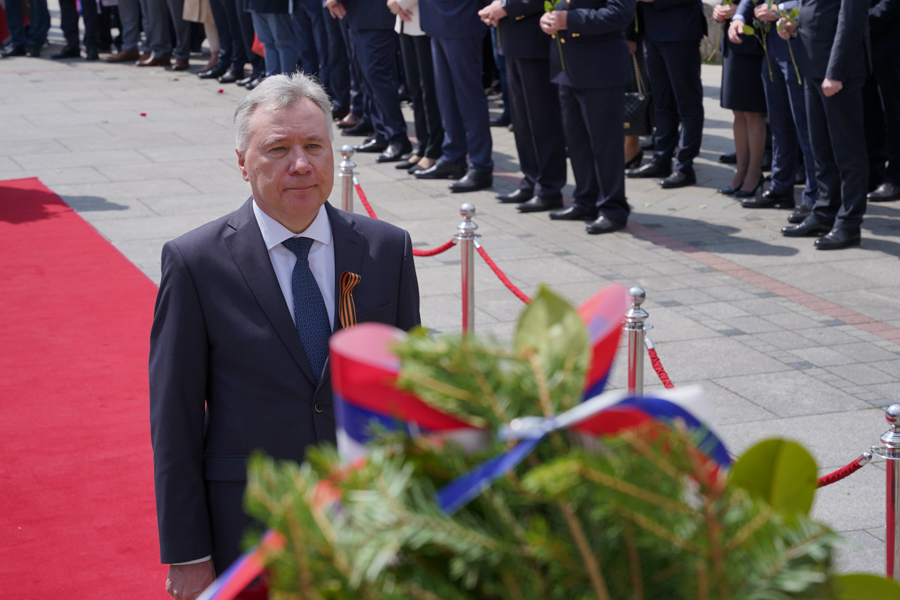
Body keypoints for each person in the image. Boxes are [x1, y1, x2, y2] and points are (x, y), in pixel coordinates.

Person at [149, 72, 421, 600]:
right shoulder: (196, 262)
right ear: (242, 161)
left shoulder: (386, 249)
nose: (301, 164)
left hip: (370, 523)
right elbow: (174, 420)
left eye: (314, 145)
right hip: (252, 529)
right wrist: (188, 554)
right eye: (278, 148)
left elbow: (410, 392)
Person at [778, 0, 870, 249]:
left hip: (838, 72)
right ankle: (824, 213)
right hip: (813, 66)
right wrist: (795, 29)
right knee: (821, 149)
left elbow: (850, 21)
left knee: (847, 152)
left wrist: (836, 72)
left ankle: (849, 224)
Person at [539, 0, 635, 233]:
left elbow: (620, 13)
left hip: (600, 68)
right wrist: (548, 19)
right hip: (568, 67)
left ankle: (613, 208)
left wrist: (569, 20)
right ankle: (585, 200)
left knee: (605, 144)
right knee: (576, 142)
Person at [729, 0, 819, 216]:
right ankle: (780, 187)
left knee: (806, 127)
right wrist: (738, 18)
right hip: (773, 45)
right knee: (779, 123)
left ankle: (815, 197)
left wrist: (779, 10)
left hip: (800, 43)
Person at [478, 0, 566, 212]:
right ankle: (531, 180)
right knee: (522, 120)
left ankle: (549, 188)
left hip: (535, 38)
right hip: (512, 37)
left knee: (543, 119)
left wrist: (506, 6)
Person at [415, 0, 494, 192]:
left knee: (469, 98)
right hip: (437, 19)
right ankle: (453, 157)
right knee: (446, 97)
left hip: (461, 17)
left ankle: (480, 165)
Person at [626, 0, 706, 189]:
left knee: (687, 104)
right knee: (661, 102)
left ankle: (684, 167)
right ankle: (660, 160)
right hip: (651, 32)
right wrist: (629, 34)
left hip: (681, 31)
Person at [326, 0, 413, 162]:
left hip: (376, 13)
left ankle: (397, 137)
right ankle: (383, 133)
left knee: (377, 75)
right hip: (359, 14)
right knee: (366, 76)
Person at [713, 1, 767, 199]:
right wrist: (719, 10)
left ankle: (754, 172)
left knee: (752, 111)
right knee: (737, 111)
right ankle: (741, 171)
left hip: (754, 42)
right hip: (733, 40)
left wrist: (744, 13)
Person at [389, 0, 444, 174]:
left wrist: (400, 3)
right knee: (416, 90)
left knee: (428, 90)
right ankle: (423, 146)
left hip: (422, 16)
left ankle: (434, 149)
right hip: (405, 17)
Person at [864, 0, 900, 202]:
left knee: (893, 114)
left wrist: (866, 19)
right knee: (871, 112)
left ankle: (895, 178)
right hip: (867, 40)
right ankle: (873, 175)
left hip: (891, 39)